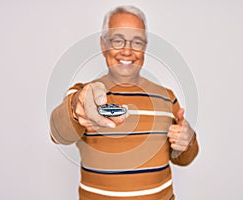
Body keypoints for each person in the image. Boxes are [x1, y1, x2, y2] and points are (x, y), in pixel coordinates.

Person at [50, 5, 199, 200]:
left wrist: (187, 141)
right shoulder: (85, 95)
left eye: (136, 42)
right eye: (118, 41)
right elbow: (58, 133)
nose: (127, 51)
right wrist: (76, 108)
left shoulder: (167, 97)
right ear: (103, 45)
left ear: (144, 47)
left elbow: (185, 159)